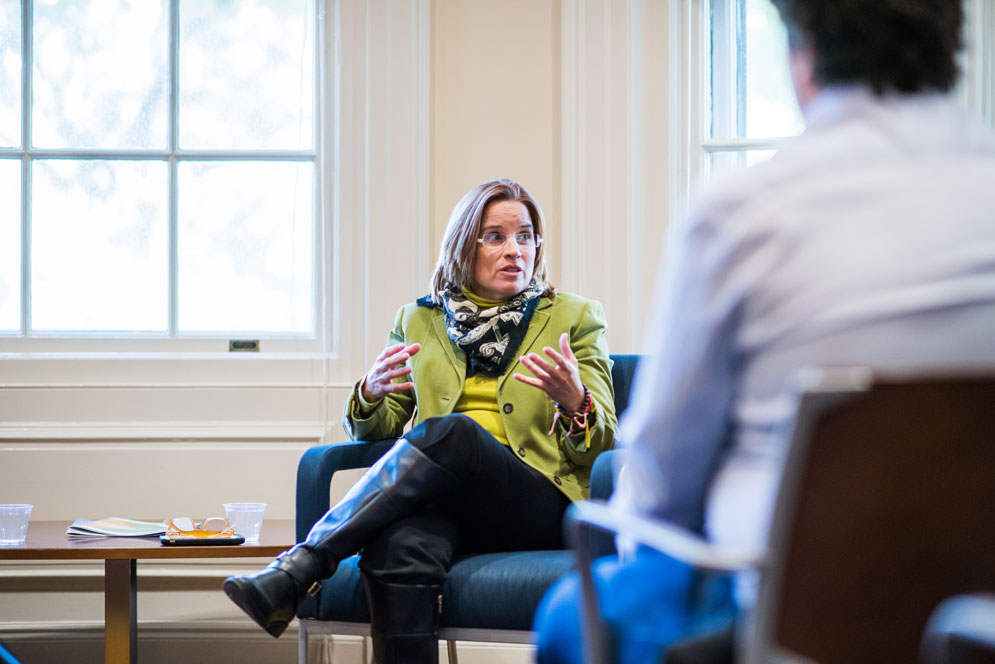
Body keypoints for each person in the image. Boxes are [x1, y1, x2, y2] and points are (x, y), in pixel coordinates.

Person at [534, 1, 995, 662]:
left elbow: (661, 488)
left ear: (802, 51)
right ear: (953, 44)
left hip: (782, 621)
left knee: (572, 614)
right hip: (973, 622)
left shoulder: (741, 216)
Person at [224, 178, 617, 662]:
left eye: (526, 235)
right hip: (443, 504)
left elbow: (602, 446)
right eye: (494, 236)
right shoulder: (417, 320)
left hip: (534, 501)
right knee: (396, 549)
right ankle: (300, 569)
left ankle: (300, 566)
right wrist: (370, 393)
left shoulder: (574, 317)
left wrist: (575, 401)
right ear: (462, 247)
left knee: (454, 434)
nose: (515, 249)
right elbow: (382, 429)